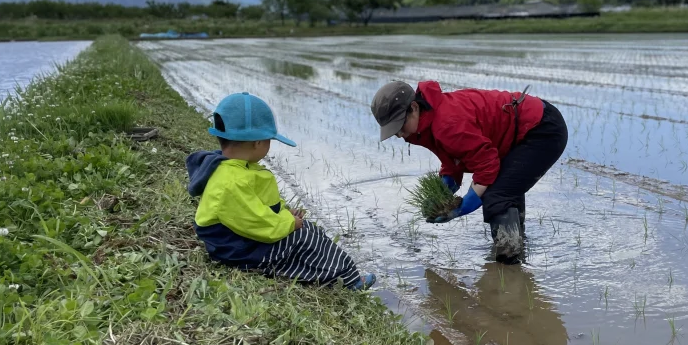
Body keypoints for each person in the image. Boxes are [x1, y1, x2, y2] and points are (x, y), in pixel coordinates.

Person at [187, 92, 374, 290]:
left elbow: (259, 207)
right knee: (302, 238)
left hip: (242, 239)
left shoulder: (237, 167)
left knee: (309, 229)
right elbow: (257, 223)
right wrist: (287, 223)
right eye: (269, 140)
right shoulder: (230, 181)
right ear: (257, 142)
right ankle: (345, 281)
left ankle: (345, 274)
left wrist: (284, 214)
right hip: (236, 250)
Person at [371, 80, 568, 263]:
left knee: (497, 195)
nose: (397, 134)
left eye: (399, 125)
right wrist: (445, 188)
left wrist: (465, 205)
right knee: (505, 188)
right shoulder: (425, 124)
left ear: (414, 107)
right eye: (392, 130)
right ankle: (516, 246)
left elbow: (488, 164)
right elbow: (453, 156)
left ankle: (509, 263)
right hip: (520, 133)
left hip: (541, 129)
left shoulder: (446, 122)